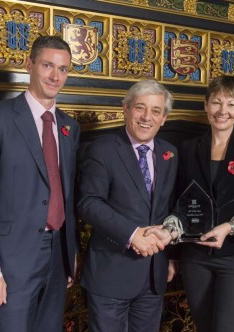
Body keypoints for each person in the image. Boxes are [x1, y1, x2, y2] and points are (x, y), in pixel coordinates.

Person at [0, 35, 80, 332]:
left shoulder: (69, 126)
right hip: (11, 259)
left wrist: (69, 254)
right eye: (48, 65)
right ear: (30, 65)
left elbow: (67, 194)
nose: (55, 76)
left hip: (57, 257)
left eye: (63, 69)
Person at [146, 75, 234, 331]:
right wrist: (171, 250)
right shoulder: (188, 148)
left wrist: (230, 227)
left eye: (231, 104)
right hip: (196, 256)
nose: (223, 111)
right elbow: (179, 202)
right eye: (217, 103)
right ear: (206, 105)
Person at [76, 79, 178, 332]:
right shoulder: (102, 150)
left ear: (164, 118)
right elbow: (88, 203)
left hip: (154, 273)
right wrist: (132, 234)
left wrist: (172, 255)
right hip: (111, 273)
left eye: (156, 111)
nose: (147, 117)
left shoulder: (170, 153)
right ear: (126, 108)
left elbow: (173, 206)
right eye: (140, 108)